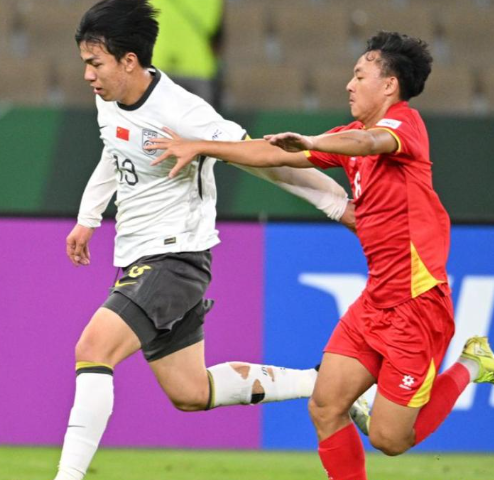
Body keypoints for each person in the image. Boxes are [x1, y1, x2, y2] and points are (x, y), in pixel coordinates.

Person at [147, 31, 494, 480]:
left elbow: (370, 144)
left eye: (360, 76)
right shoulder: (350, 136)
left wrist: (312, 141)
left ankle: (473, 363)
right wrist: (202, 148)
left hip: (417, 307)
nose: (349, 85)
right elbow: (272, 154)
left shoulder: (405, 125)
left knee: (390, 439)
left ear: (389, 85)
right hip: (375, 303)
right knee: (326, 406)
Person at [54, 2, 364, 480]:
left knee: (93, 349)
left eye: (95, 64)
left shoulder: (183, 112)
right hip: (140, 255)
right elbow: (114, 149)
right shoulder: (108, 98)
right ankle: (330, 384)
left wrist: (335, 203)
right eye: (85, 64)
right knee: (191, 392)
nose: (88, 76)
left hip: (173, 258)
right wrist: (88, 217)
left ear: (129, 61)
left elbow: (261, 157)